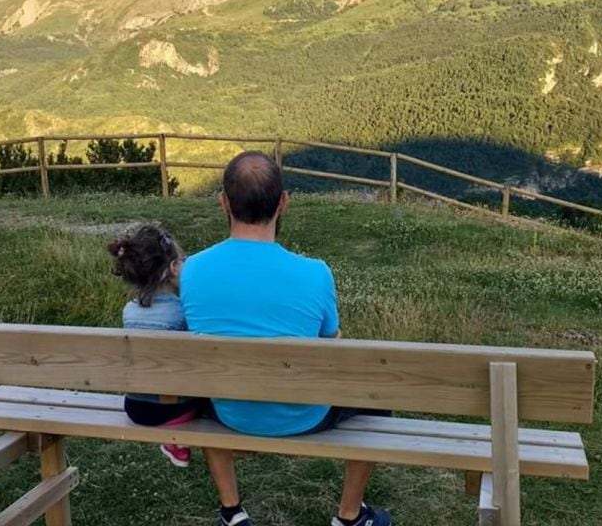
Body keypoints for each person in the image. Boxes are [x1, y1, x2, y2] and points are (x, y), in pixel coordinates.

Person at [181, 152, 393, 526]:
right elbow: (333, 341)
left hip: (229, 410)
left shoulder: (193, 269)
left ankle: (232, 512)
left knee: (199, 382)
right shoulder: (315, 274)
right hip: (305, 414)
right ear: (283, 202)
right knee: (376, 396)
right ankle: (349, 516)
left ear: (224, 203)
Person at [109, 224, 203, 468]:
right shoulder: (182, 312)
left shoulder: (129, 312)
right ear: (173, 268)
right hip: (173, 410)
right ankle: (175, 440)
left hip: (136, 407)